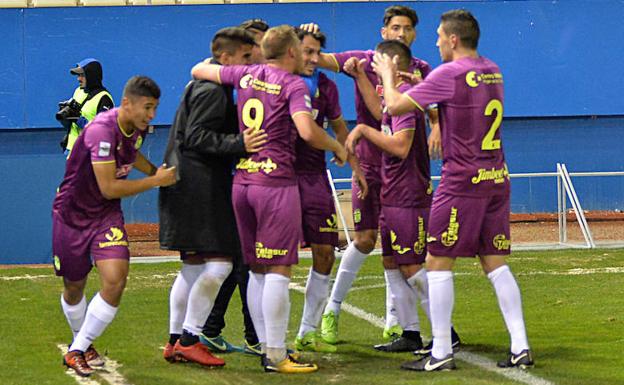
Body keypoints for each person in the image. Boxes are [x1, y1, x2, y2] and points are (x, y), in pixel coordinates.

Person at [373, 9, 533, 371]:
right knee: (495, 263)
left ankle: (441, 351)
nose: (436, 41)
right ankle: (520, 345)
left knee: (437, 262)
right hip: (496, 178)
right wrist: (415, 80)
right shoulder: (492, 69)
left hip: (462, 182)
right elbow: (457, 98)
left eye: (440, 36)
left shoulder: (449, 73)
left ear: (454, 39)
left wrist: (387, 75)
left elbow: (396, 104)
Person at [191, 25, 348, 374]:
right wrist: (337, 145)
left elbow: (199, 69)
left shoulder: (246, 75)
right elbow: (307, 131)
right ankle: (277, 355)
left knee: (258, 270)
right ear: (291, 53)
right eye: (302, 52)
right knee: (277, 269)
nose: (308, 58)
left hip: (243, 182)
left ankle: (267, 348)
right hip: (275, 184)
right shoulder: (292, 84)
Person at [300, 5, 444, 345]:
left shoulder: (419, 70)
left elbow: (430, 109)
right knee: (365, 239)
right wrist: (303, 35)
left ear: (414, 34)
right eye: (395, 28)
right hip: (369, 164)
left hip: (406, 169)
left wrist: (436, 125)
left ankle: (398, 323)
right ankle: (332, 310)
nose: (401, 34)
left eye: (407, 29)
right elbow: (314, 58)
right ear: (384, 32)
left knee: (399, 251)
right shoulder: (363, 61)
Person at [53, 76, 176, 377]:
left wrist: (154, 169)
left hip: (105, 215)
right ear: (126, 104)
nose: (152, 115)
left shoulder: (134, 130)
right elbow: (108, 187)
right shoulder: (100, 132)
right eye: (147, 107)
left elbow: (130, 155)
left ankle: (78, 348)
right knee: (74, 286)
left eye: (155, 108)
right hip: (72, 214)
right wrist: (155, 182)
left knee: (116, 278)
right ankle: (82, 344)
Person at [159, 27, 265, 367]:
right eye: (245, 57)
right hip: (198, 187)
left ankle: (175, 340)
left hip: (185, 184)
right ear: (225, 58)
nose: (249, 65)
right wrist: (240, 144)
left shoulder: (200, 84)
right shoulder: (213, 90)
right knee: (221, 263)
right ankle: (191, 338)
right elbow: (196, 136)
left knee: (191, 266)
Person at [345, 40, 433, 354]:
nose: (374, 67)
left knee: (411, 265)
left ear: (394, 65)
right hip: (393, 191)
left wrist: (363, 132)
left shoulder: (405, 100)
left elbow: (400, 146)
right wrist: (360, 79)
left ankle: (444, 334)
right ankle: (410, 334)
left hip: (408, 194)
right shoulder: (393, 99)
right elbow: (376, 109)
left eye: (379, 63)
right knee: (392, 261)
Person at [291, 27, 368, 354]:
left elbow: (340, 128)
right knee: (275, 260)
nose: (311, 59)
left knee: (324, 251)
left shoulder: (326, 87)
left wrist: (356, 166)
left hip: (314, 178)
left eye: (315, 53)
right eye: (305, 52)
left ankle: (307, 329)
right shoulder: (277, 81)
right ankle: (262, 337)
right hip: (280, 178)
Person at [57, 58, 114, 155]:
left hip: (89, 154)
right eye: (78, 75)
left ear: (92, 75)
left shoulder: (104, 99)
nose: (78, 78)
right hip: (72, 151)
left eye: (82, 75)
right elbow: (72, 126)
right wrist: (66, 119)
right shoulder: (78, 91)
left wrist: (79, 120)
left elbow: (103, 132)